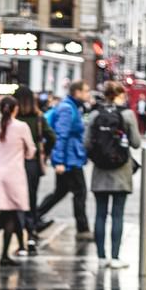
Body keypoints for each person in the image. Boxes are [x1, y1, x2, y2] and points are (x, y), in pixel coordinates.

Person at [87, 81, 140, 268]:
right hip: (121, 170)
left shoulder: (95, 114)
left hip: (100, 170)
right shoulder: (127, 115)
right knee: (118, 215)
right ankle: (115, 257)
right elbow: (136, 143)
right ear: (120, 95)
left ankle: (101, 257)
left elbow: (87, 143)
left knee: (100, 214)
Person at [0, 95, 38, 267]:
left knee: (5, 212)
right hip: (14, 175)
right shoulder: (21, 127)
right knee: (10, 214)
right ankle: (3, 253)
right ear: (15, 109)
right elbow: (31, 151)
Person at [36, 80, 92, 237]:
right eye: (86, 91)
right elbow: (61, 136)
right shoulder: (67, 108)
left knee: (60, 191)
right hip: (69, 159)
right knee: (80, 191)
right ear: (77, 92)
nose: (88, 94)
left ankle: (34, 217)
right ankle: (82, 228)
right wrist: (59, 161)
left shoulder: (72, 107)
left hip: (70, 157)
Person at [14, 86, 53, 253]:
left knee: (15, 199)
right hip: (33, 163)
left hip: (15, 162)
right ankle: (31, 232)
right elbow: (51, 137)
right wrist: (45, 154)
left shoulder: (13, 119)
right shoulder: (38, 117)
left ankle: (19, 231)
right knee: (31, 197)